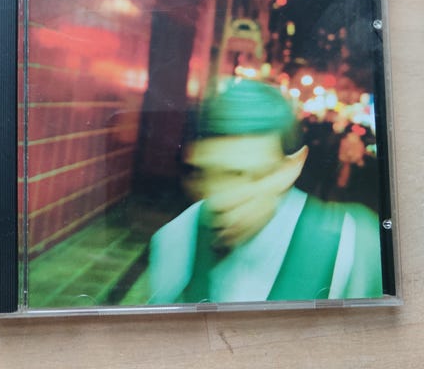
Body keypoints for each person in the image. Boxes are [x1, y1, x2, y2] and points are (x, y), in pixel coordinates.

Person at [148, 78, 383, 304]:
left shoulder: (352, 247)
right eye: (204, 173)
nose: (219, 200)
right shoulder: (176, 240)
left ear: (291, 167)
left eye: (241, 175)